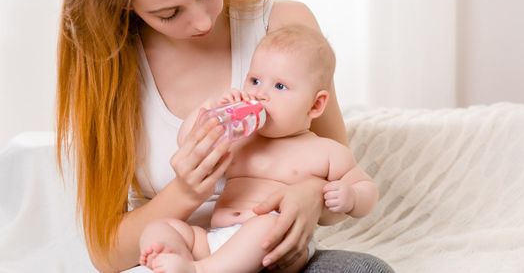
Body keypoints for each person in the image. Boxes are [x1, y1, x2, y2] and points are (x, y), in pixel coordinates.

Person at [55, 0, 394, 272]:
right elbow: (107, 255)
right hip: (184, 255)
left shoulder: (284, 29)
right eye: (169, 14)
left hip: (270, 252)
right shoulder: (110, 67)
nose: (202, 21)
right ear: (125, 7)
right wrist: (186, 192)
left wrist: (309, 195)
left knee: (365, 269)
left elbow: (336, 175)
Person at [138, 25, 379, 273]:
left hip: (276, 245)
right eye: (255, 80)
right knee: (162, 228)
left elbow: (366, 188)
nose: (260, 94)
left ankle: (198, 271)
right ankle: (170, 258)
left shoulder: (326, 151)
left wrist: (351, 197)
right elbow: (187, 139)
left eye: (280, 87)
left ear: (316, 105)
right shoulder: (242, 139)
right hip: (217, 240)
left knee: (266, 225)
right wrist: (211, 113)